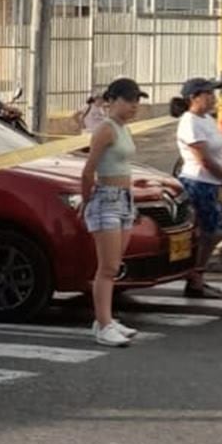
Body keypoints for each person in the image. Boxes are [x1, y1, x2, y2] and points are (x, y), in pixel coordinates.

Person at [79, 78, 146, 348]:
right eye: (129, 100)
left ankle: (105, 319)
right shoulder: (105, 129)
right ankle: (103, 324)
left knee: (115, 265)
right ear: (112, 100)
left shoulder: (123, 128)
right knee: (107, 266)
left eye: (137, 100)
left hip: (125, 199)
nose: (134, 106)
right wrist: (86, 201)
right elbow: (88, 171)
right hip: (106, 198)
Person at [172, 77, 222, 299]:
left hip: (212, 183)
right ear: (193, 98)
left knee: (210, 232)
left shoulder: (206, 119)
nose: (213, 98)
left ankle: (197, 276)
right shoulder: (189, 122)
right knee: (211, 232)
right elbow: (203, 159)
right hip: (198, 183)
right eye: (207, 94)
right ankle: (194, 276)